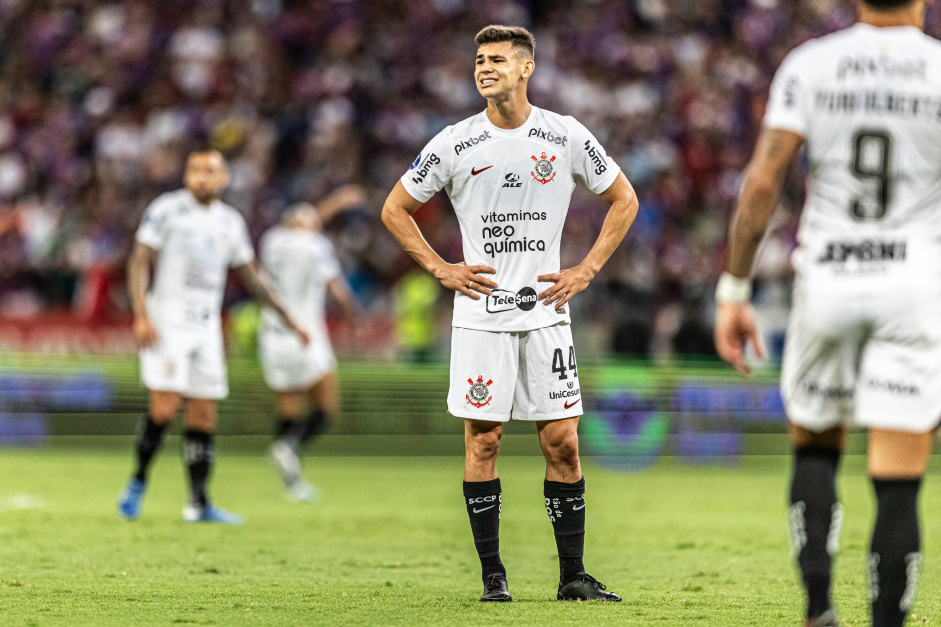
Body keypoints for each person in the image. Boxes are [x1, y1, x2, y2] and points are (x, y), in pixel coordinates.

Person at [381, 25, 638, 603]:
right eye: (479, 59)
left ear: (526, 68)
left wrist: (586, 269)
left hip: (547, 314)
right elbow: (395, 208)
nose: (484, 67)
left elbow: (625, 199)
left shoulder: (564, 135)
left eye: (497, 59)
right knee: (484, 442)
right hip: (481, 316)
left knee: (563, 443)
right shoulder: (454, 143)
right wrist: (441, 268)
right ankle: (493, 577)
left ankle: (572, 575)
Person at [714, 1, 941, 625]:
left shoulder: (811, 64)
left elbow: (762, 183)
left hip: (830, 279)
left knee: (815, 450)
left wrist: (734, 290)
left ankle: (819, 611)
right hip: (914, 286)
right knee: (899, 477)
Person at [118, 148, 309, 524]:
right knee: (165, 408)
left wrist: (289, 318)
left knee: (204, 416)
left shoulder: (230, 222)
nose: (201, 177)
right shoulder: (167, 209)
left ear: (224, 179)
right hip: (167, 322)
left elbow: (253, 277)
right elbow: (139, 260)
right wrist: (141, 315)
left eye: (209, 170)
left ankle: (199, 503)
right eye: (194, 170)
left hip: (206, 327)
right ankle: (138, 481)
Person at [259, 202, 358, 501]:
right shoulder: (316, 245)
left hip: (273, 333)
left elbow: (302, 221)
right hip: (306, 333)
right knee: (326, 407)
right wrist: (353, 314)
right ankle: (286, 447)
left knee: (289, 404)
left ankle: (292, 482)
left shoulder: (271, 240)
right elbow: (336, 288)